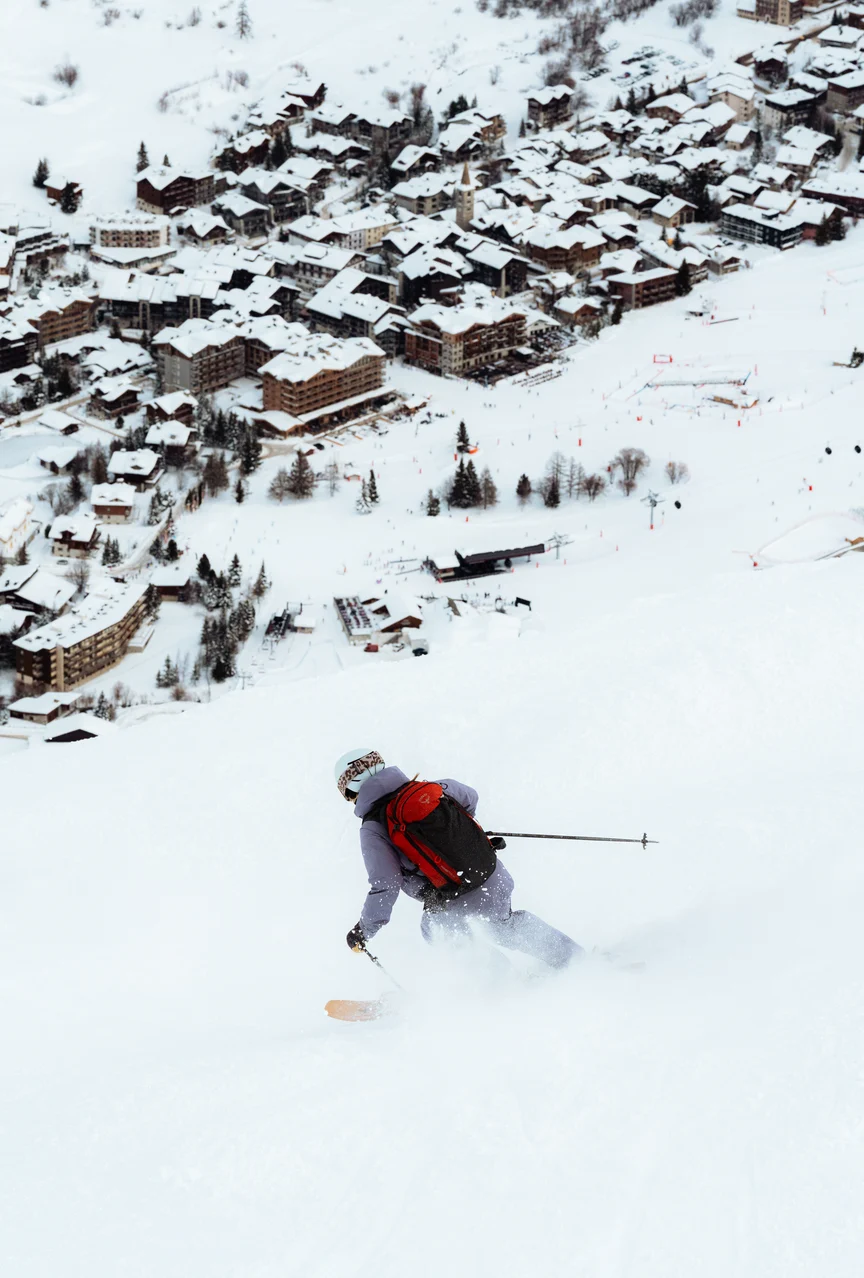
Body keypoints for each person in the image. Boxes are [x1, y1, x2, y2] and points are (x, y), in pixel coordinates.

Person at [335, 749, 582, 969]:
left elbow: (386, 883)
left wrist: (363, 931)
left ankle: (504, 987)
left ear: (352, 790)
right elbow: (470, 797)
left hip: (456, 894)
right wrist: (462, 840)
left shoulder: (373, 829)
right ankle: (575, 960)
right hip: (491, 873)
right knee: (505, 925)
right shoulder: (431, 789)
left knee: (436, 931)